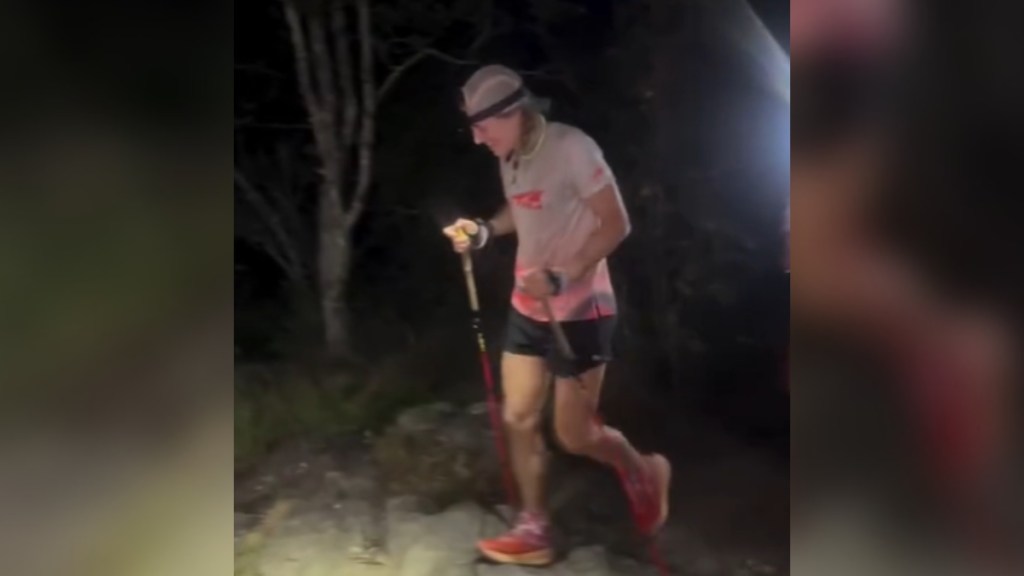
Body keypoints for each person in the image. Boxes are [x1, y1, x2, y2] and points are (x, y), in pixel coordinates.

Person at [442, 64, 671, 566]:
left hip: (581, 308)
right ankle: (534, 527)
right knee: (518, 415)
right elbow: (519, 210)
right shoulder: (512, 155)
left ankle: (641, 468)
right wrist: (482, 232)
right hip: (528, 306)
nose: (478, 140)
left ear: (514, 114)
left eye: (484, 127)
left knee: (575, 434)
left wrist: (565, 275)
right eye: (473, 129)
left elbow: (616, 224)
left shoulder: (572, 148)